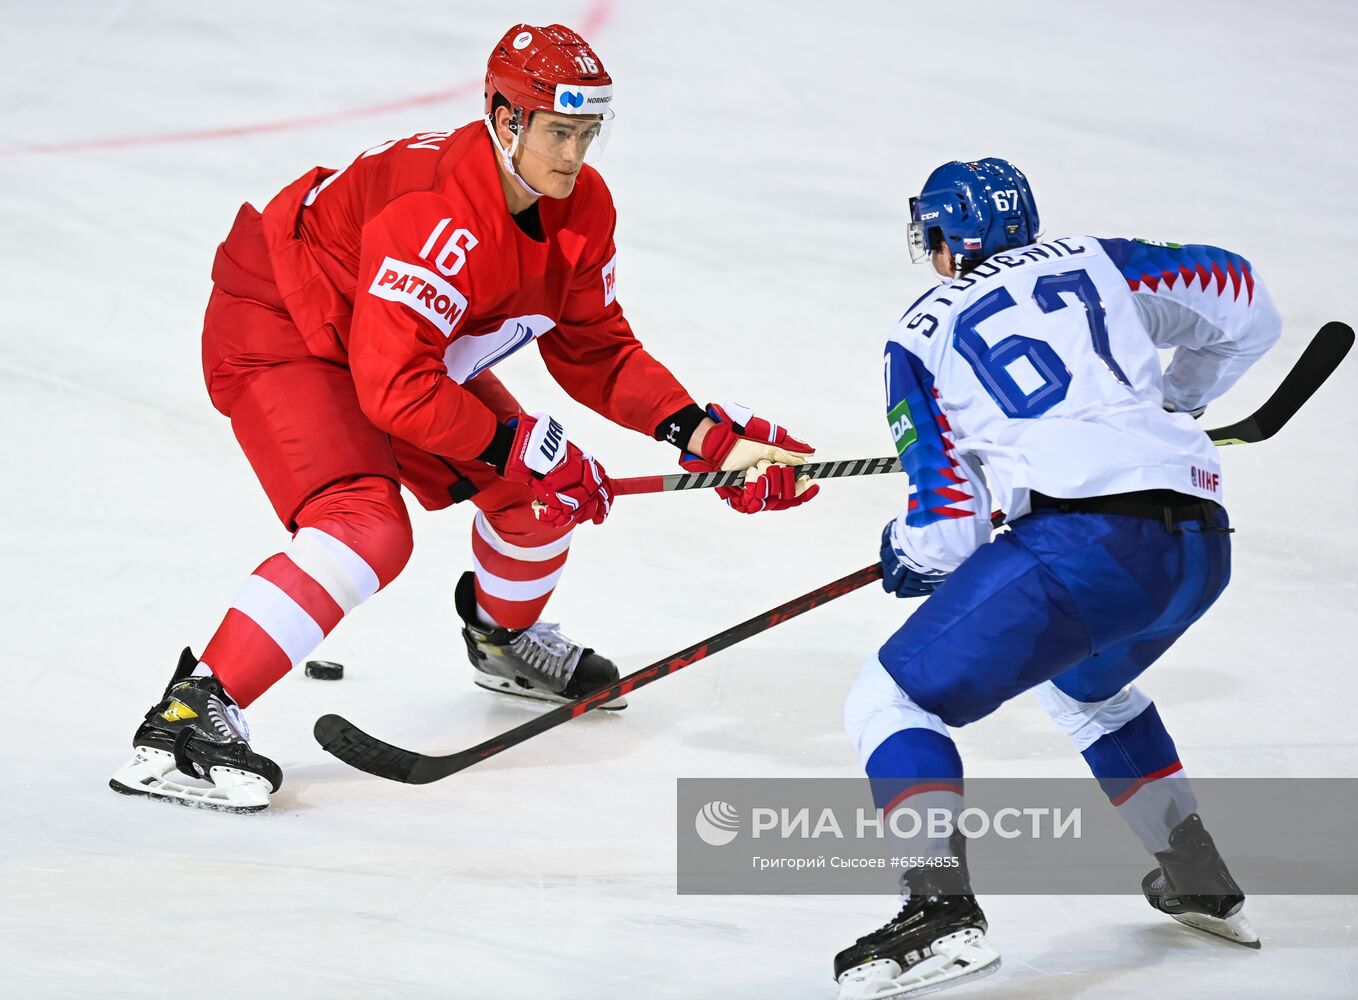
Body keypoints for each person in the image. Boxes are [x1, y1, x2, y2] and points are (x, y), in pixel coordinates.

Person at [108, 23, 818, 813]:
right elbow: (394, 391)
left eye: (588, 134)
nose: (574, 155)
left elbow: (597, 350)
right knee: (365, 526)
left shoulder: (580, 205)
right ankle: (187, 719)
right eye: (557, 132)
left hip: (396, 350)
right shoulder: (437, 210)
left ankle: (501, 639)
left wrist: (710, 438)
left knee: (535, 498)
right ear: (505, 117)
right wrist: (519, 444)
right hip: (285, 326)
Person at [832, 158, 1279, 997]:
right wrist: (1176, 404)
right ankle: (1194, 872)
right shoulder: (1098, 259)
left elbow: (946, 530)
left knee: (890, 699)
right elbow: (1245, 300)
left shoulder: (917, 335)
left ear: (944, 240)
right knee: (1080, 688)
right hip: (1198, 545)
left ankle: (938, 915)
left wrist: (903, 551)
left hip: (1091, 546)